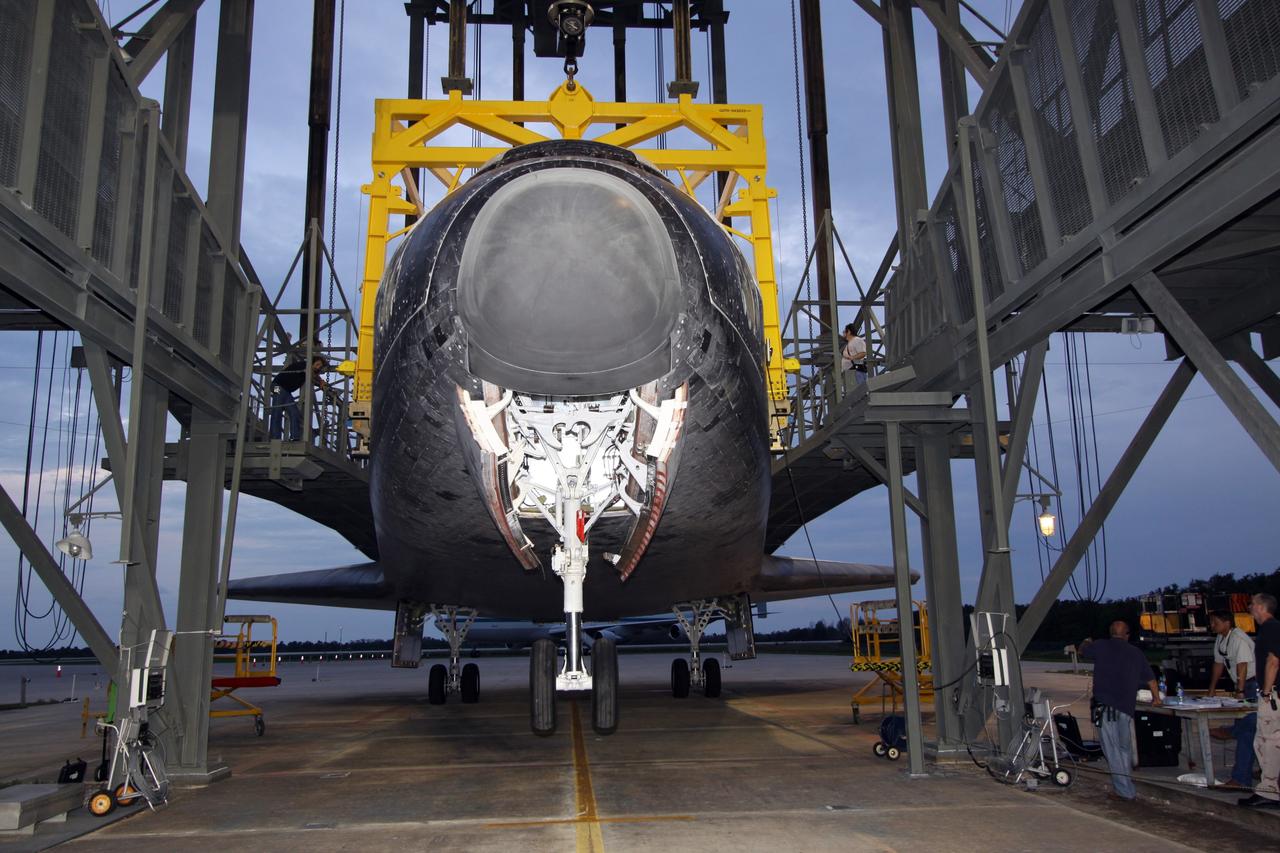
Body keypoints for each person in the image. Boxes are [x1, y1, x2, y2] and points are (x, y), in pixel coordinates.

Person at [1080, 621, 1162, 801]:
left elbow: (1083, 651)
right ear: (1127, 635)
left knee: (1112, 750)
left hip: (1105, 708)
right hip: (1126, 708)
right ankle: (1125, 786)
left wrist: (1086, 641)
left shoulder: (1100, 646)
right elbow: (1151, 679)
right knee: (1124, 749)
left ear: (1110, 633)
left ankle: (1125, 791)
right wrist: (1156, 699)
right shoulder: (1136, 652)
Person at [1206, 610, 1257, 790]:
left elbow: (1243, 665)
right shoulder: (1221, 639)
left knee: (1247, 732)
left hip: (1252, 685)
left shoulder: (1239, 638)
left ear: (1227, 622)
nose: (1212, 625)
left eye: (1215, 622)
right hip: (1243, 684)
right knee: (1250, 730)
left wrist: (1240, 690)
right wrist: (1212, 689)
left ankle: (1241, 778)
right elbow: (1218, 663)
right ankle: (1232, 731)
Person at [1239, 592, 1280, 809]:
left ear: (1262, 607)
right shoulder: (1272, 628)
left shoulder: (1270, 628)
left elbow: (1274, 660)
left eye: (1252, 604)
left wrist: (1266, 692)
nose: (1250, 608)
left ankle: (1269, 792)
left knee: (1267, 742)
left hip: (1272, 696)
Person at [270, 353, 329, 441]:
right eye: (317, 364)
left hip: (285, 391)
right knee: (277, 410)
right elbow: (311, 373)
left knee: (294, 413)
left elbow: (313, 375)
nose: (318, 367)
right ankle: (275, 438)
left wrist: (320, 381)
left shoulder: (307, 371)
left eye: (320, 366)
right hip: (276, 387)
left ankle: (295, 437)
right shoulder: (303, 365)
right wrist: (320, 381)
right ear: (312, 362)